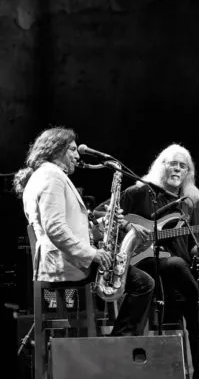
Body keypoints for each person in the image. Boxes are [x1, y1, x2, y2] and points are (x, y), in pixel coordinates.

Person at [100, 143, 199, 379]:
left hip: (179, 276)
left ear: (188, 173)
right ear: (161, 166)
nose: (177, 169)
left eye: (183, 166)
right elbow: (101, 214)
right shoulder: (138, 192)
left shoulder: (189, 203)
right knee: (177, 268)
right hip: (141, 269)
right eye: (172, 164)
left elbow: (195, 251)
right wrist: (129, 227)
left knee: (193, 303)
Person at [13, 127, 155, 336]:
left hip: (65, 259)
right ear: (56, 149)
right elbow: (55, 229)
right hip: (65, 263)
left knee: (134, 280)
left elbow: (67, 227)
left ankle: (115, 341)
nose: (77, 156)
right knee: (143, 284)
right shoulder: (51, 176)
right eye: (72, 149)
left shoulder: (45, 176)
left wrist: (103, 224)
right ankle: (120, 341)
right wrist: (93, 254)